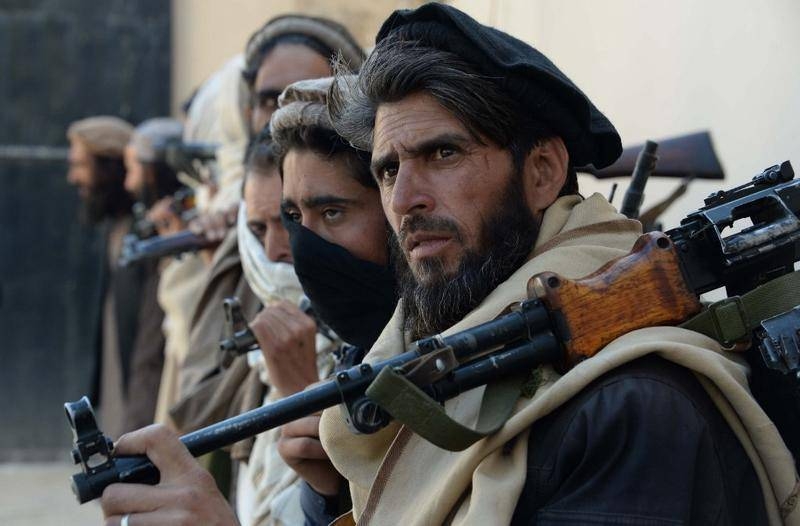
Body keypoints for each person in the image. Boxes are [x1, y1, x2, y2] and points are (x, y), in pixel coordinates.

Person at [100, 5, 798, 525]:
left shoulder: (631, 408)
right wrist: (332, 495)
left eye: (443, 154)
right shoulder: (453, 364)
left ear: (544, 169)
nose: (404, 201)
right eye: (385, 169)